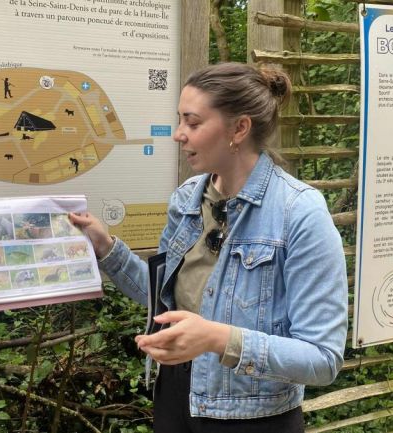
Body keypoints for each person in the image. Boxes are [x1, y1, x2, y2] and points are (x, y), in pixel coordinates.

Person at [69, 62, 347, 432]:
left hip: (252, 418)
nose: (178, 134)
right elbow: (162, 299)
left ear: (239, 128)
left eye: (193, 122)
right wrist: (106, 248)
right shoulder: (187, 200)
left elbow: (323, 358)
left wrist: (217, 339)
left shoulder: (298, 212)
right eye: (179, 120)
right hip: (175, 397)